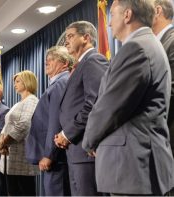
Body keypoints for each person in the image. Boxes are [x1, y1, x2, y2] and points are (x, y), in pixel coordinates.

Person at [82, 0, 174, 195]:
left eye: (112, 15)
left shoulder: (137, 48)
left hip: (133, 166)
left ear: (127, 15)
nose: (108, 23)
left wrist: (89, 140)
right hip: (136, 167)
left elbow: (110, 107)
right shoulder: (147, 44)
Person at [53, 21, 109, 196]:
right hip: (75, 150)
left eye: (70, 36)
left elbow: (95, 104)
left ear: (86, 37)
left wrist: (67, 134)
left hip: (85, 150)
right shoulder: (80, 64)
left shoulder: (94, 60)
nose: (66, 41)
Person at [26, 46, 73, 196]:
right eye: (46, 60)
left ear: (65, 63)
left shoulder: (61, 83)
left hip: (56, 159)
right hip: (55, 157)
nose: (47, 62)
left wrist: (49, 155)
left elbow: (55, 122)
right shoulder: (58, 83)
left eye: (51, 60)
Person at [0, 70, 39, 196]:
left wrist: (4, 142)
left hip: (22, 155)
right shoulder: (18, 103)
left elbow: (24, 125)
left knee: (24, 190)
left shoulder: (32, 101)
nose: (14, 84)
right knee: (12, 191)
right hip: (10, 154)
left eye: (18, 81)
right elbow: (7, 125)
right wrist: (1, 141)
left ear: (27, 82)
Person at [152, 0, 174, 157]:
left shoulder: (172, 41)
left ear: (157, 11)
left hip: (168, 134)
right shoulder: (156, 43)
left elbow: (170, 90)